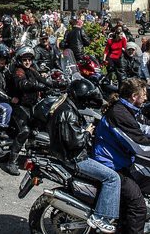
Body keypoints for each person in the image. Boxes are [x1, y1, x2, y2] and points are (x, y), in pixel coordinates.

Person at [96, 78, 150, 233]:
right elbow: (141, 145)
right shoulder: (119, 113)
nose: (146, 97)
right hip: (111, 163)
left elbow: (142, 127)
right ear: (134, 96)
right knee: (138, 206)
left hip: (121, 159)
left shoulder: (127, 109)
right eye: (144, 94)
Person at [49, 78, 118, 233]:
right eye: (85, 97)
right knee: (113, 178)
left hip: (66, 154)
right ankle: (101, 217)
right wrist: (87, 132)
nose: (87, 101)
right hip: (75, 158)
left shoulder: (65, 106)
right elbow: (75, 143)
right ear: (79, 96)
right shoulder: (68, 113)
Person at [7, 45, 53, 176]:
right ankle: (11, 162)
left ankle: (33, 153)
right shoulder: (18, 71)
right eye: (25, 59)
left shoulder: (32, 69)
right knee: (25, 131)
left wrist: (55, 84)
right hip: (19, 105)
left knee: (40, 124)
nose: (27, 62)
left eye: (29, 59)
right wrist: (38, 86)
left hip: (31, 104)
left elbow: (41, 79)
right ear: (19, 60)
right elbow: (22, 84)